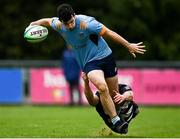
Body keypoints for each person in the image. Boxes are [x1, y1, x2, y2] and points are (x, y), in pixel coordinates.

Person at [29, 3, 146, 133]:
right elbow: (46, 21)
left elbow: (108, 33)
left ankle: (131, 108)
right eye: (66, 24)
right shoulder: (58, 25)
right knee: (102, 87)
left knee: (115, 96)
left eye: (72, 22)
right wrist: (33, 23)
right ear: (61, 22)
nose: (70, 26)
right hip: (89, 63)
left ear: (74, 15)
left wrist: (128, 45)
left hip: (106, 57)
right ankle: (116, 121)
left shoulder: (87, 23)